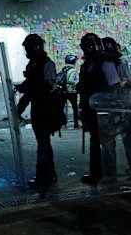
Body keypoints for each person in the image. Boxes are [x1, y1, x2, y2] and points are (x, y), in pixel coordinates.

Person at [14, 33, 58, 189]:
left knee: (43, 143)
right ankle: (48, 174)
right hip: (37, 106)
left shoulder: (47, 64)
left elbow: (47, 86)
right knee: (42, 142)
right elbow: (30, 86)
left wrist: (29, 88)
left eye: (29, 48)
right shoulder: (33, 64)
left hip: (45, 107)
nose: (27, 51)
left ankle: (44, 176)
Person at [98, 37, 131, 177]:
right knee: (120, 138)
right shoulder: (108, 63)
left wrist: (122, 85)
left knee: (126, 136)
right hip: (119, 104)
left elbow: (128, 83)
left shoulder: (118, 63)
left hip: (123, 103)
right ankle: (129, 169)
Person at [76, 33, 108, 185]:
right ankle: (96, 173)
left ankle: (103, 174)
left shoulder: (103, 63)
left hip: (101, 108)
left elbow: (109, 86)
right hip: (90, 106)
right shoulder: (89, 64)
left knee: (101, 142)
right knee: (94, 141)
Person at [59, 55, 80, 129]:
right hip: (72, 92)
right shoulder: (73, 70)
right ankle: (76, 124)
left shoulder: (63, 69)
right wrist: (77, 82)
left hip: (63, 91)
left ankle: (62, 123)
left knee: (61, 108)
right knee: (75, 108)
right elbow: (71, 80)